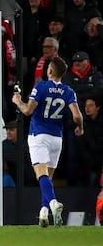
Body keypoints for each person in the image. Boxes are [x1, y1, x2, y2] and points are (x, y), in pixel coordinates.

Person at [12, 56, 84, 227]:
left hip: (39, 136)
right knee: (47, 179)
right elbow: (76, 115)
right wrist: (80, 128)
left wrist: (17, 101)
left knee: (41, 175)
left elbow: (28, 110)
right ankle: (43, 213)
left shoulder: (41, 86)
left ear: (50, 70)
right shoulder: (68, 91)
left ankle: (53, 203)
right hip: (57, 139)